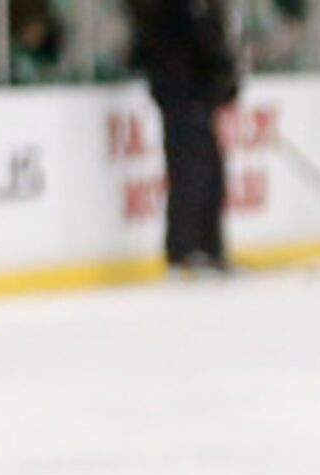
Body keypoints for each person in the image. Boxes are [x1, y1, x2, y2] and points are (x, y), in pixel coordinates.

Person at [127, 0, 240, 276]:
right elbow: (193, 39)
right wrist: (220, 73)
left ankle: (209, 248)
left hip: (198, 92)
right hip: (180, 91)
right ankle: (184, 251)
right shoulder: (173, 11)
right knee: (188, 173)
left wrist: (222, 80)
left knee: (209, 172)